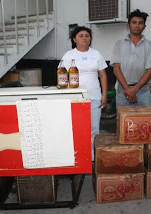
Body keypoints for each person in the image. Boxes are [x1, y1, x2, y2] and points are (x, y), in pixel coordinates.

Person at [61, 26, 108, 161]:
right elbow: (61, 76)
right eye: (80, 35)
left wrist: (103, 96)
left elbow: (103, 76)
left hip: (94, 98)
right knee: (76, 129)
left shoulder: (96, 54)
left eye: (87, 35)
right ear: (74, 39)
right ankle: (77, 157)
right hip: (74, 99)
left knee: (94, 129)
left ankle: (92, 159)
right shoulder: (69, 55)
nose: (84, 38)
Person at [110, 9, 151, 106]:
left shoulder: (149, 45)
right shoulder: (119, 44)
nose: (137, 25)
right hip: (123, 92)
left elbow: (150, 70)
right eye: (134, 22)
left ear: (144, 27)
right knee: (124, 120)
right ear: (128, 25)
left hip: (143, 92)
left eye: (140, 23)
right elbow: (116, 69)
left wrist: (134, 90)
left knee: (144, 121)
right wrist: (128, 90)